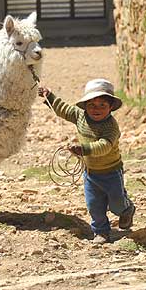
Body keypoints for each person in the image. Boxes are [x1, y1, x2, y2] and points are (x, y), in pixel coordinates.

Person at [38, 79, 135, 244]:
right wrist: (50, 97)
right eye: (92, 105)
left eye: (102, 105)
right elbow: (64, 109)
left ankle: (127, 209)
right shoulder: (80, 116)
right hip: (90, 173)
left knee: (117, 204)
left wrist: (84, 149)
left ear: (111, 107)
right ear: (85, 106)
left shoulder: (111, 126)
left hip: (111, 172)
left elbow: (104, 146)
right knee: (94, 205)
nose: (96, 109)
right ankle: (101, 232)